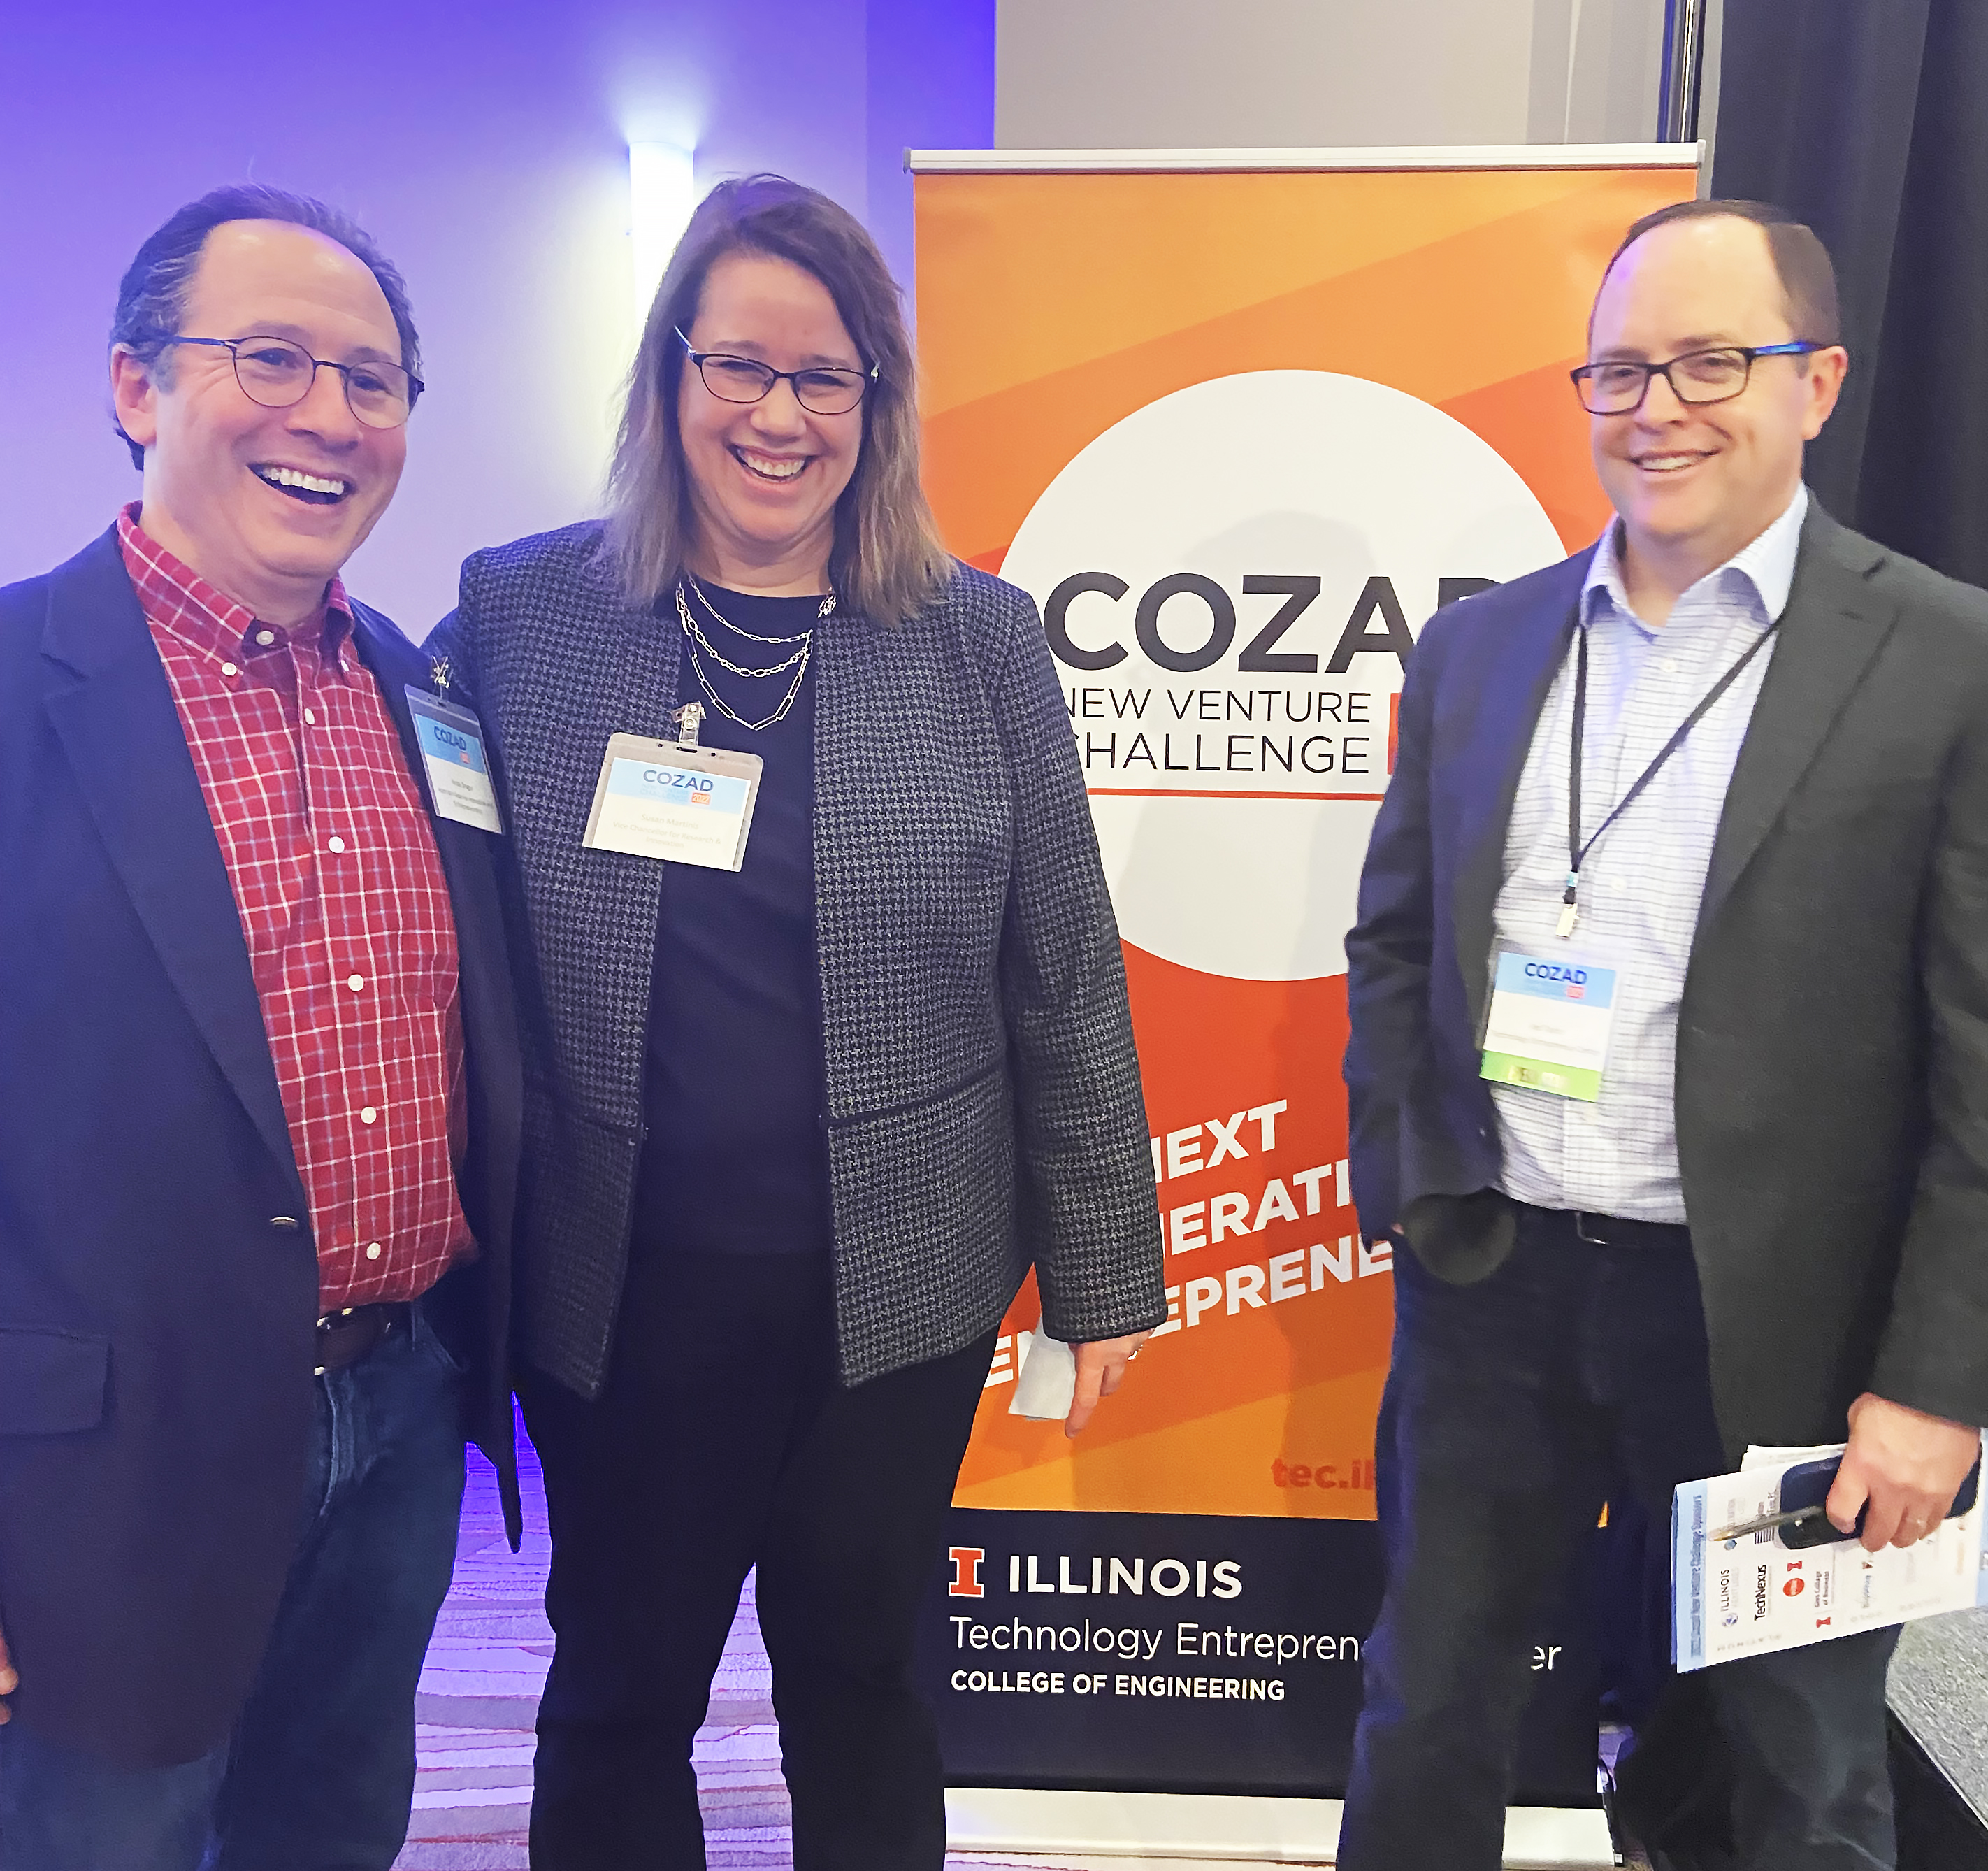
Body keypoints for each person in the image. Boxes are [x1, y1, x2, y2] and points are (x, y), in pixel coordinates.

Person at [428, 173, 1165, 1870]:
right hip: (621, 1286)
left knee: (864, 1678)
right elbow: (438, 920)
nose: (780, 414)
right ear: (670, 378)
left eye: (824, 377)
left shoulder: (978, 642)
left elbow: (1063, 961)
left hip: (896, 1294)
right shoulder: (527, 620)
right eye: (738, 366)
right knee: (621, 1687)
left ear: (876, 404)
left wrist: (1104, 1266)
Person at [1337, 196, 1988, 1871]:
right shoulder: (1484, 648)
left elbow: (1983, 1070)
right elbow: (1399, 943)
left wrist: (1934, 1387)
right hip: (1498, 1281)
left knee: (1797, 1767)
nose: (1660, 407)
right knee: (1429, 1713)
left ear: (1821, 382)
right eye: (1621, 369)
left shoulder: (1947, 663)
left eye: (1715, 360)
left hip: (1778, 1320)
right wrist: (1420, 1198)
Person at [0, 185, 520, 1870]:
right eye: (273, 358)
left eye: (374, 382)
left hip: (395, 1422)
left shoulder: (424, 695)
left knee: (329, 1835)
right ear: (138, 389)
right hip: (98, 1480)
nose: (329, 418)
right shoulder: (17, 688)